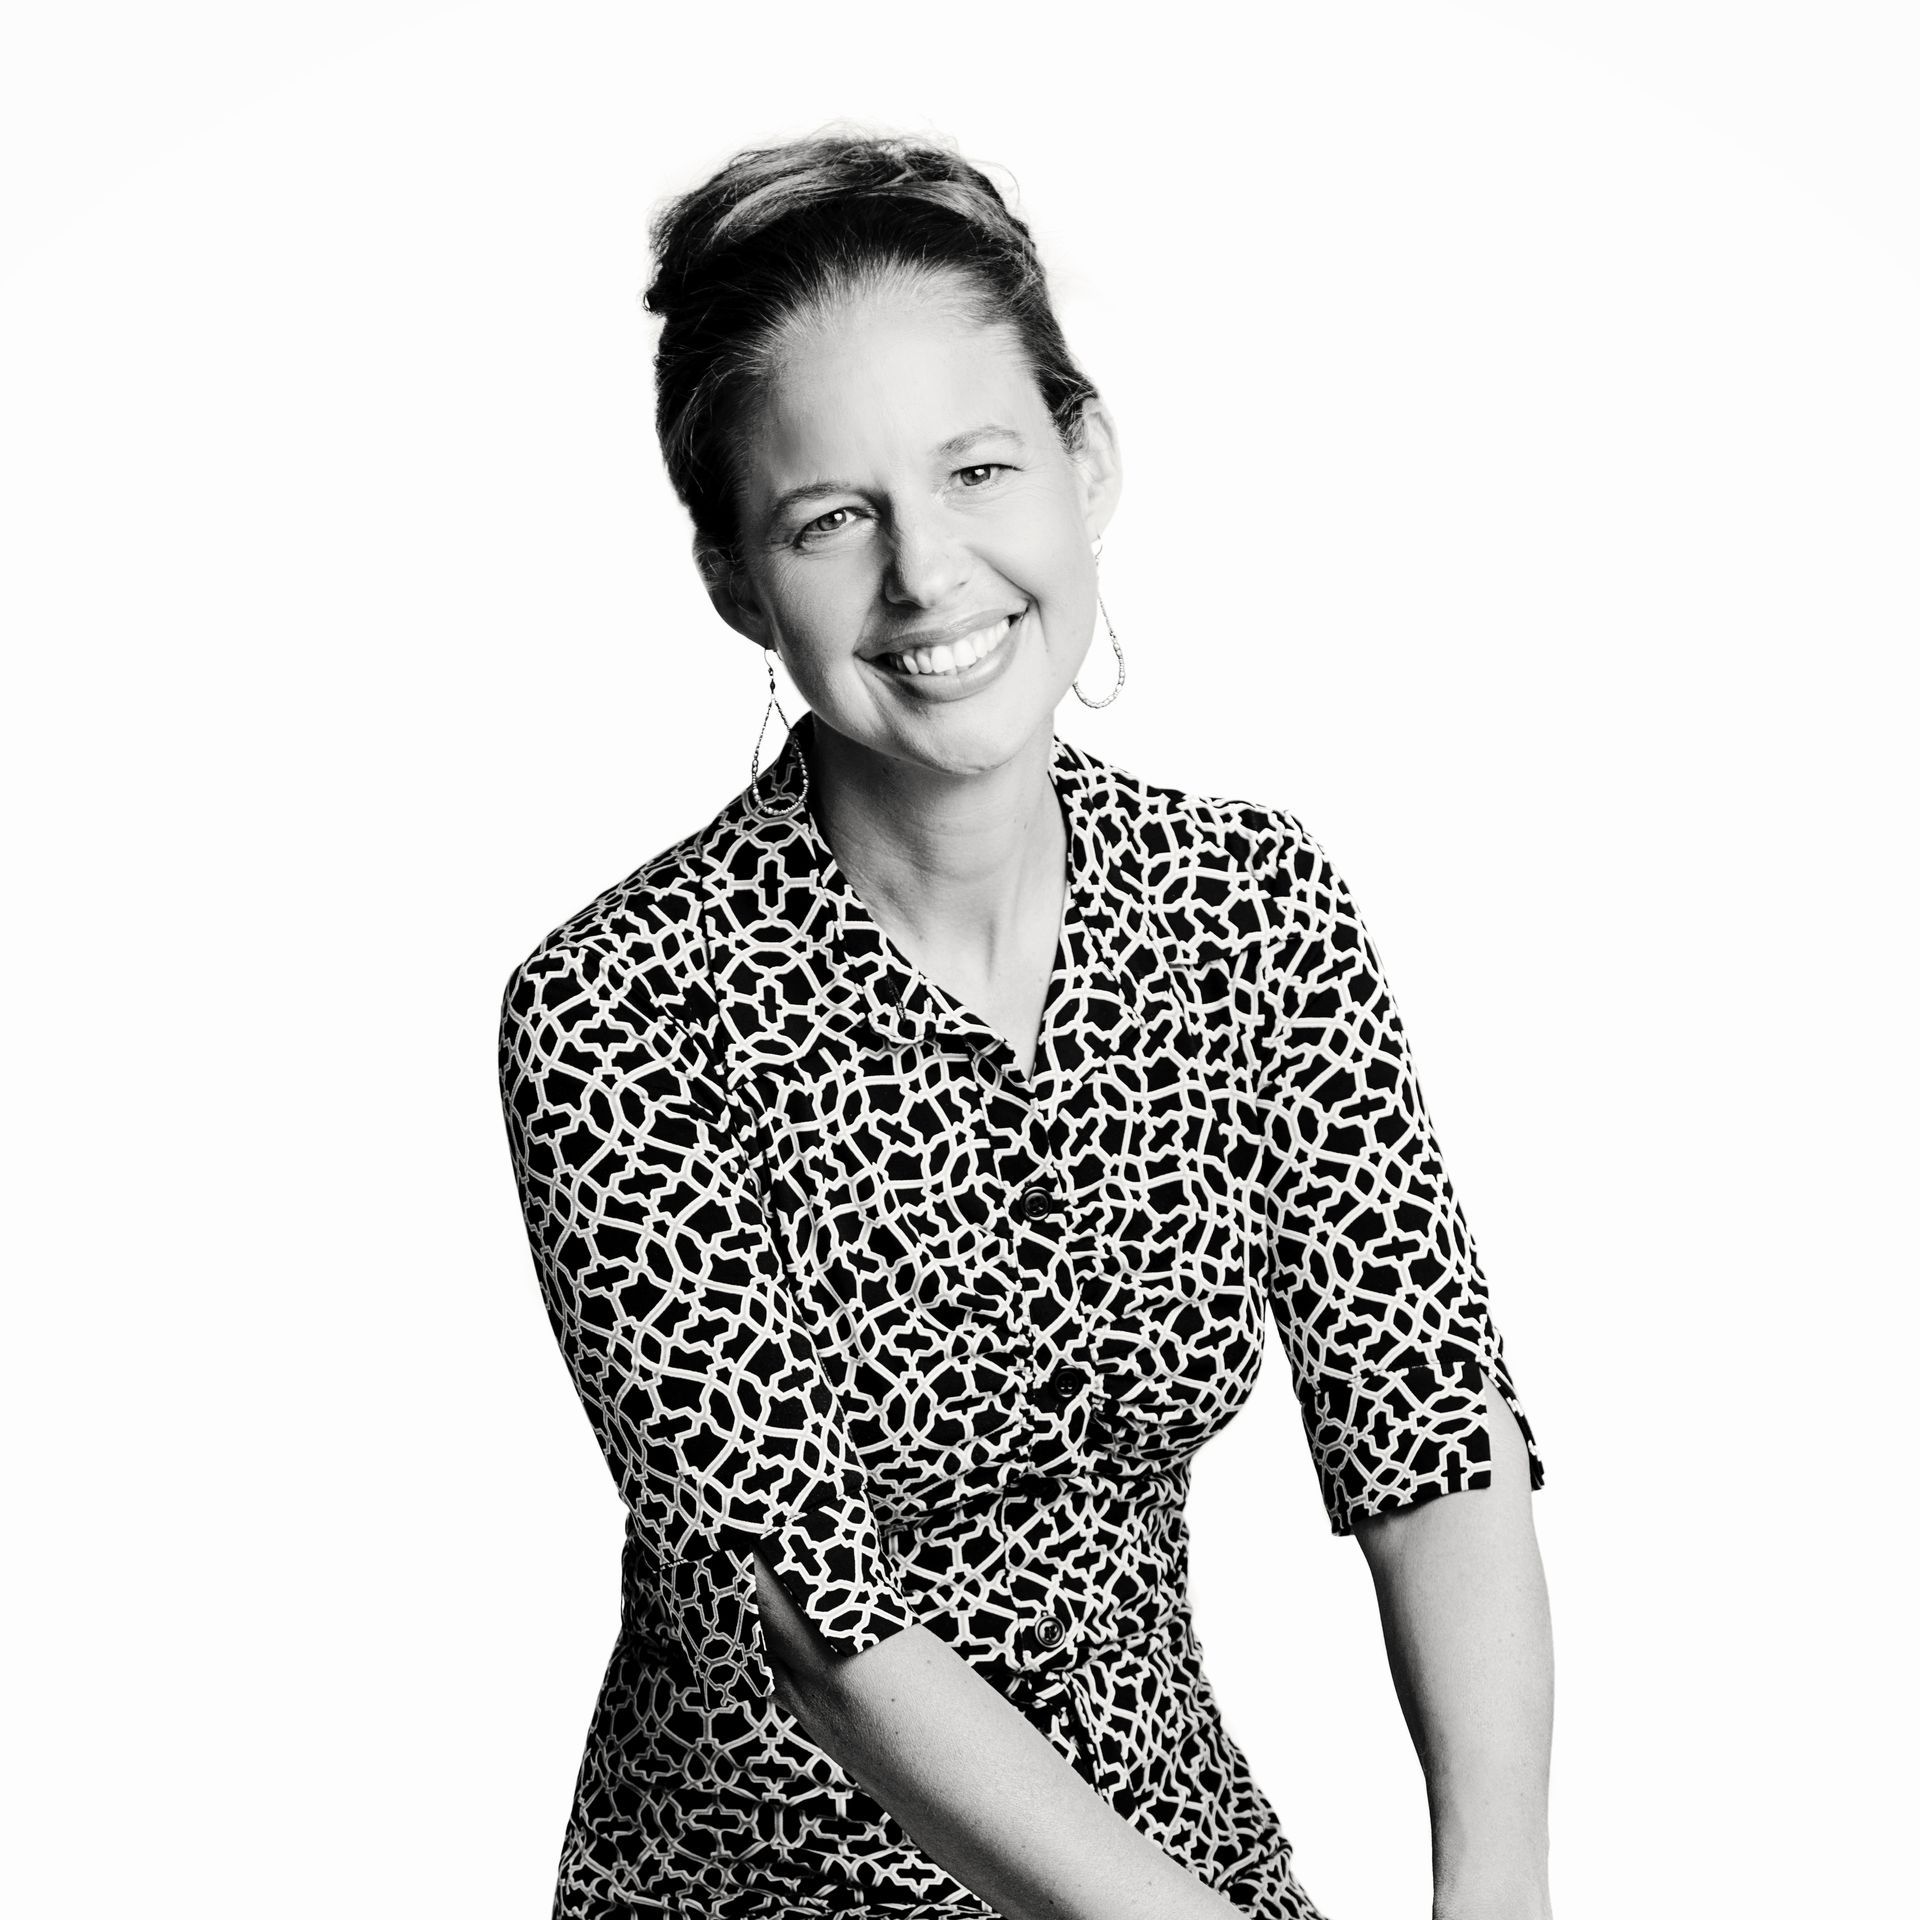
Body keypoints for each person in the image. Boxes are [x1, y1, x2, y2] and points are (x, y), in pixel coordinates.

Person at [498, 131, 1553, 1920]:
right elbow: (819, 1620)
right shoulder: (619, 1007)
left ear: (1086, 461)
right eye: (833, 518)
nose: (927, 576)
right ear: (735, 580)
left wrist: (1499, 1892)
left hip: (1190, 1857)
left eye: (979, 468)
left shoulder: (1253, 910)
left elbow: (1429, 1427)